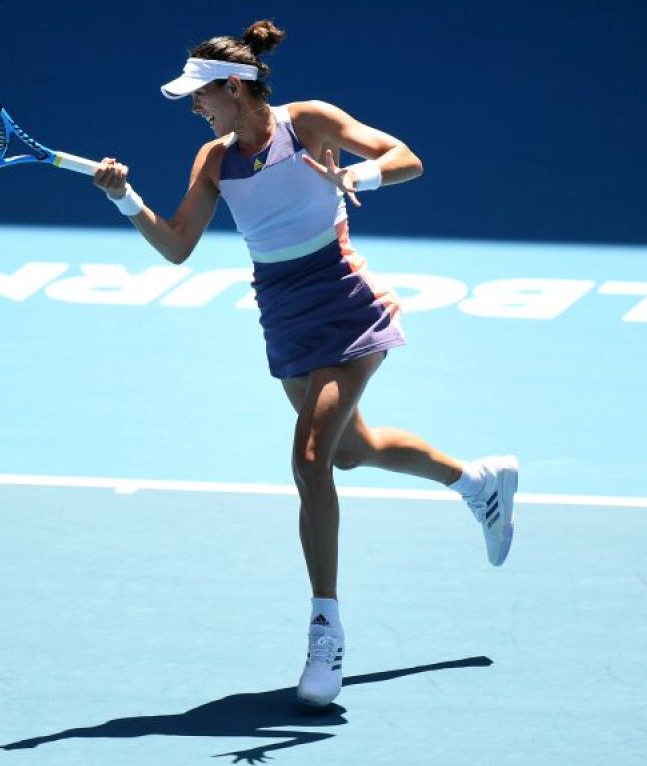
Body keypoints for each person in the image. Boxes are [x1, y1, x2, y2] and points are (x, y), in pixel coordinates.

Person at [92, 19, 518, 708]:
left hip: (348, 304)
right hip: (284, 318)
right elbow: (176, 246)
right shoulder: (213, 162)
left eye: (200, 99)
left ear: (233, 88)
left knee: (311, 458)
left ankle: (325, 631)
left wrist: (357, 175)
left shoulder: (309, 121)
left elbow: (407, 157)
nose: (194, 111)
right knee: (353, 449)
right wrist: (122, 196)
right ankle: (478, 482)